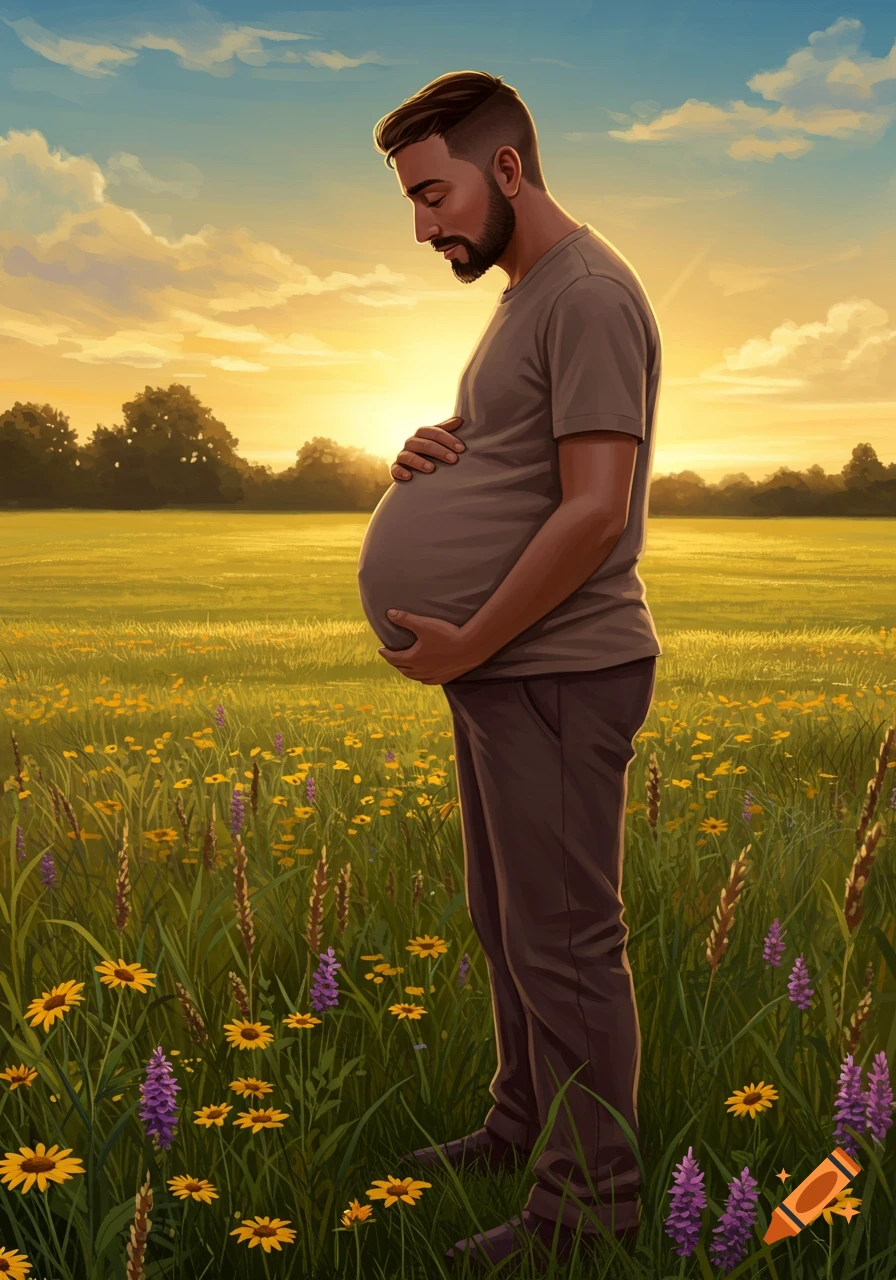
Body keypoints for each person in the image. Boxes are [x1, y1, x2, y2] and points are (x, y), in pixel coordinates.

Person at [357, 69, 662, 1268]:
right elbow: (521, 464)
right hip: (505, 671)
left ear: (504, 168)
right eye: (410, 201)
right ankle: (519, 1124)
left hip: (558, 668)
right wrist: (430, 451)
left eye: (431, 194)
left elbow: (594, 510)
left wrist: (470, 640)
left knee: (565, 941)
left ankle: (589, 1210)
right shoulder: (527, 295)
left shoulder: (585, 293)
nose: (421, 225)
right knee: (507, 920)